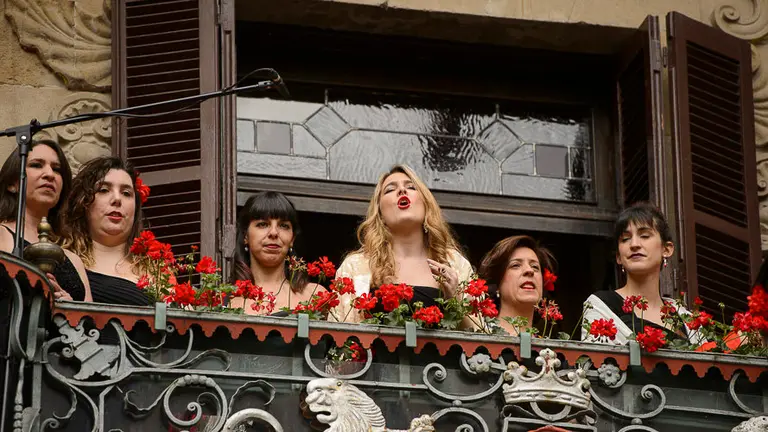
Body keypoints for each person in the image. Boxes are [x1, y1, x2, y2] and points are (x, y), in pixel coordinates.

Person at [331, 165, 473, 323]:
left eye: (411, 187)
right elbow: (337, 334)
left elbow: (483, 339)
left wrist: (455, 300)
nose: (402, 191)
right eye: (390, 190)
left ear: (426, 205)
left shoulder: (456, 264)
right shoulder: (356, 266)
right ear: (380, 214)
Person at [582, 202, 701, 344]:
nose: (634, 244)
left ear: (666, 249)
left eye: (644, 236)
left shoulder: (686, 320)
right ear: (619, 257)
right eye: (625, 239)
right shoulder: (600, 306)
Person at [0, 139, 91, 302]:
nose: (49, 174)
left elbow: (91, 322)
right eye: (36, 165)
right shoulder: (1, 235)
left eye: (57, 169)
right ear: (12, 184)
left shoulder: (74, 260)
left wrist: (69, 308)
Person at [60, 156, 149, 306]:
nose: (117, 199)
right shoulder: (63, 261)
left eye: (126, 193)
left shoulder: (158, 272)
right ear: (84, 203)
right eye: (104, 190)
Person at [229, 191, 320, 315]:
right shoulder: (221, 300)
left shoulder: (316, 297)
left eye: (283, 226)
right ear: (245, 235)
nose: (274, 233)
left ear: (292, 239)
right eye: (263, 224)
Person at [479, 235, 555, 336]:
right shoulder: (479, 338)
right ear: (497, 284)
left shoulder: (549, 350)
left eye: (535, 267)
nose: (529, 270)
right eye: (516, 265)